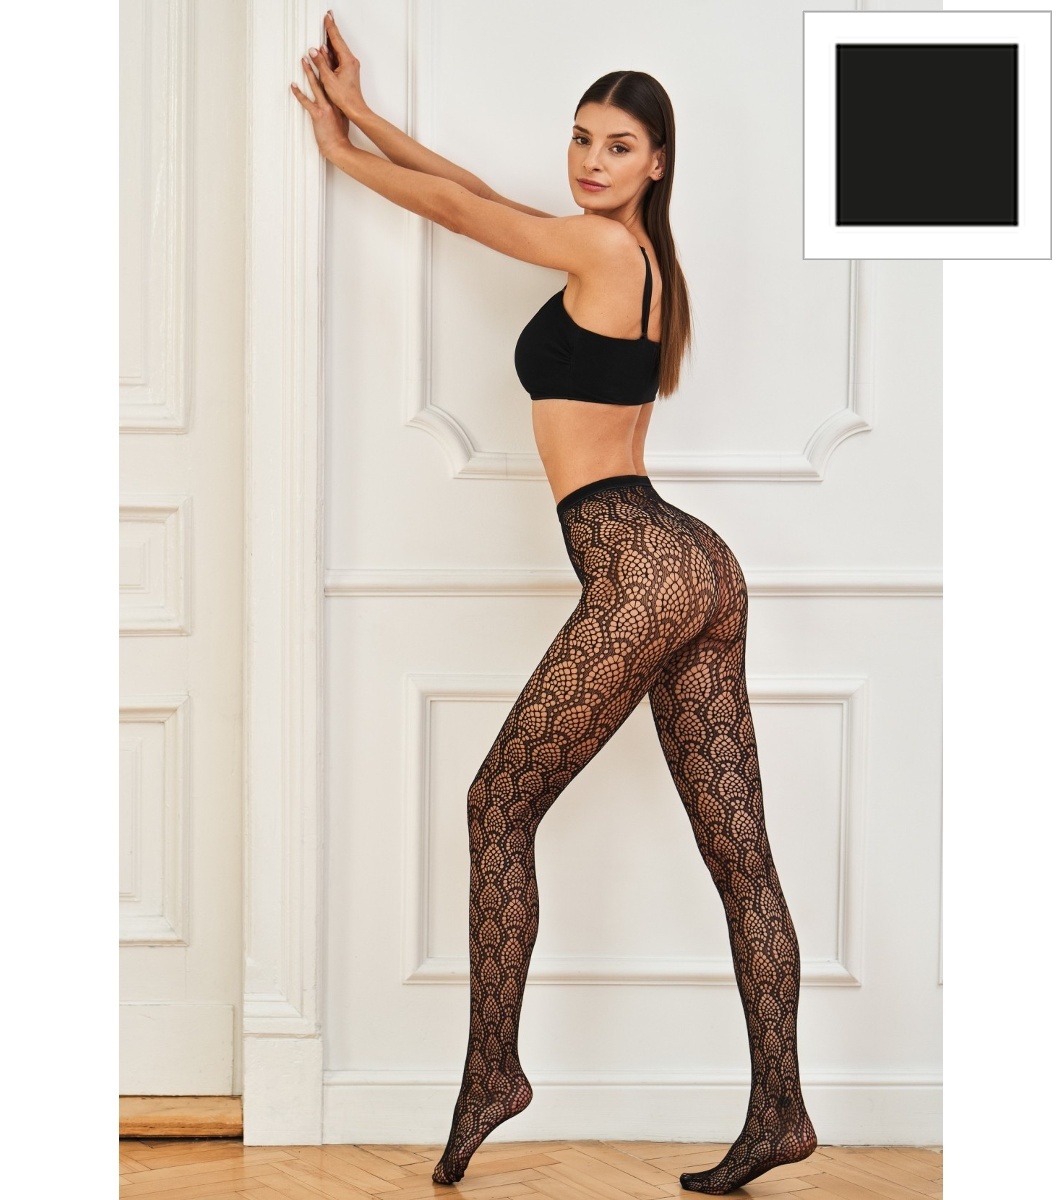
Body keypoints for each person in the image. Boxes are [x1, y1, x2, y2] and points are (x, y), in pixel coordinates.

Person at [292, 12, 818, 1195]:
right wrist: (365, 114)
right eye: (581, 137)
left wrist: (336, 153)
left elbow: (456, 214)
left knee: (497, 804)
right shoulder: (624, 255)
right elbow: (479, 195)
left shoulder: (603, 252)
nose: (590, 158)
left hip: (643, 564)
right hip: (694, 565)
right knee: (740, 858)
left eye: (618, 144)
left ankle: (494, 1070)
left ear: (658, 163)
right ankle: (780, 1110)